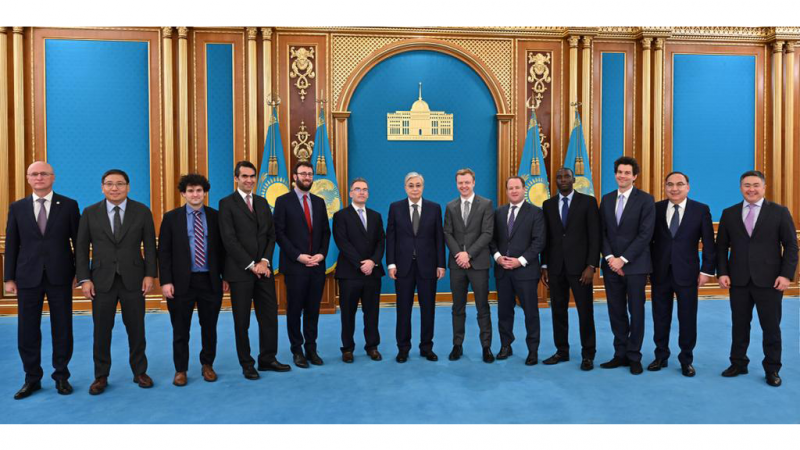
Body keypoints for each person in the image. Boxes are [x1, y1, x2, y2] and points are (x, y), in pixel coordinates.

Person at [76, 169, 157, 394]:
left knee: (137, 329)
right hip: (101, 281)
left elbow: (151, 246)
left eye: (120, 184)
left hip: (134, 279)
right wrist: (84, 279)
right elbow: (81, 249)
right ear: (102, 187)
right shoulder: (90, 212)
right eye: (109, 184)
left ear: (128, 187)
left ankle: (140, 371)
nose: (115, 188)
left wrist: (150, 274)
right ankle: (101, 376)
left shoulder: (142, 211)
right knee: (101, 331)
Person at [5, 161, 80, 399]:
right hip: (27, 277)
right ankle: (32, 378)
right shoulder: (17, 207)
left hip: (61, 276)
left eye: (44, 174)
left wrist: (80, 273)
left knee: (63, 327)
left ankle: (62, 376)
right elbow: (12, 244)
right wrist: (8, 278)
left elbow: (78, 242)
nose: (39, 178)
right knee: (27, 330)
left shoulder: (69, 205)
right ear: (28, 178)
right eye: (34, 174)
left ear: (53, 177)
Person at [716, 170, 798, 387]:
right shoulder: (729, 213)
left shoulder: (779, 212)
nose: (751, 189)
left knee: (771, 327)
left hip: (770, 281)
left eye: (755, 185)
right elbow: (721, 246)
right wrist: (722, 272)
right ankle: (738, 363)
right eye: (746, 185)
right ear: (740, 188)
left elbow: (791, 246)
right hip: (738, 280)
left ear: (764, 188)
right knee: (739, 325)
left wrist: (786, 275)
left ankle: (772, 368)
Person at [219, 161, 290, 380]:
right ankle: (247, 363)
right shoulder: (226, 204)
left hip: (264, 271)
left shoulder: (262, 202)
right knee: (242, 321)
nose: (249, 180)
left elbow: (271, 235)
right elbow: (229, 240)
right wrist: (251, 265)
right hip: (240, 272)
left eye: (252, 176)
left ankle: (267, 358)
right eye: (244, 176)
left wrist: (264, 262)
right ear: (236, 178)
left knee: (269, 317)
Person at [159, 174, 229, 386]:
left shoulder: (216, 217)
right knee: (180, 329)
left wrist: (225, 276)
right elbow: (164, 252)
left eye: (199, 190)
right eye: (190, 191)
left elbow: (224, 250)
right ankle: (180, 369)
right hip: (181, 283)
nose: (195, 194)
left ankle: (207, 365)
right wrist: (166, 281)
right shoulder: (171, 218)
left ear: (205, 193)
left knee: (209, 327)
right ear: (183, 194)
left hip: (210, 281)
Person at [648, 171, 715, 377]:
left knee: (687, 318)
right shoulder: (656, 208)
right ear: (665, 187)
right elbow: (647, 241)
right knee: (660, 316)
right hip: (660, 273)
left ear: (688, 187)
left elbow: (709, 243)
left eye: (679, 184)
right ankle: (661, 356)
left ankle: (686, 359)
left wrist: (706, 270)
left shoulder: (701, 210)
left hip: (688, 273)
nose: (674, 188)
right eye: (670, 184)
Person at [598, 156, 655, 375]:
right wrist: (611, 258)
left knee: (636, 312)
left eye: (627, 173)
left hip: (635, 266)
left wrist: (623, 259)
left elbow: (645, 234)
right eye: (619, 172)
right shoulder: (607, 199)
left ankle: (634, 356)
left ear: (634, 176)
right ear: (615, 174)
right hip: (611, 265)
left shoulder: (646, 200)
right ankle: (619, 353)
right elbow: (602, 232)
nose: (622, 176)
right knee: (616, 311)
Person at [274, 161, 331, 368]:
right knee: (294, 310)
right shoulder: (283, 201)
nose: (307, 177)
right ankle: (297, 350)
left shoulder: (319, 202)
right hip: (295, 266)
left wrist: (321, 254)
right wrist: (298, 256)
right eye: (303, 173)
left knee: (313, 310)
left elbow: (325, 232)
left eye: (310, 173)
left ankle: (311, 349)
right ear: (294, 177)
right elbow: (279, 233)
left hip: (316, 265)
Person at [541, 167, 599, 371]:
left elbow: (595, 236)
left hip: (581, 269)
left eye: (567, 176)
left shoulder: (588, 202)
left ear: (574, 180)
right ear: (554, 181)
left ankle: (588, 354)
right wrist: (545, 265)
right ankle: (562, 351)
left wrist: (591, 265)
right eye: (559, 177)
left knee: (585, 312)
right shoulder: (548, 205)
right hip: (556, 268)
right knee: (558, 311)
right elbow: (547, 238)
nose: (563, 179)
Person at [386, 172, 445, 363]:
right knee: (403, 309)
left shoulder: (434, 208)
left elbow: (439, 238)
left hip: (428, 266)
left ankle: (426, 347)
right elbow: (391, 237)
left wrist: (441, 264)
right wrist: (391, 263)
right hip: (403, 267)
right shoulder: (395, 208)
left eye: (418, 185)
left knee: (428, 309)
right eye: (411, 185)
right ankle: (403, 348)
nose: (414, 189)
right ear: (405, 188)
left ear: (423, 187)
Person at [489, 176, 546, 366]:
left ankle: (533, 350)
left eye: (517, 187)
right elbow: (492, 239)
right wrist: (498, 257)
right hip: (503, 271)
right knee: (504, 312)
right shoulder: (498, 212)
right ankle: (506, 345)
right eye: (510, 188)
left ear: (523, 189)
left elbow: (539, 242)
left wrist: (519, 261)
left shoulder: (536, 213)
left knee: (531, 312)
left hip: (526, 272)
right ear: (506, 191)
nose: (513, 191)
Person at [443, 168, 495, 363]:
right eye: (460, 183)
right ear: (456, 184)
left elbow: (487, 233)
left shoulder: (486, 204)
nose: (463, 186)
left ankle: (486, 347)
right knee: (458, 307)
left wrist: (469, 254)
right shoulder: (450, 206)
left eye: (467, 182)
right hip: (457, 265)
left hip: (478, 264)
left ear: (473, 183)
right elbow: (447, 233)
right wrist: (459, 255)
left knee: (483, 307)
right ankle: (457, 345)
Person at [332, 178, 385, 363]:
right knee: (348, 314)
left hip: (373, 273)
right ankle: (347, 348)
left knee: (372, 312)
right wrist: (361, 264)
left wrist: (373, 262)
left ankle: (372, 346)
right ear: (351, 193)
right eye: (357, 189)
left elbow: (381, 242)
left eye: (365, 189)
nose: (361, 192)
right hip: (350, 273)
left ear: (368, 194)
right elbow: (342, 242)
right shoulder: (340, 216)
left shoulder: (376, 216)